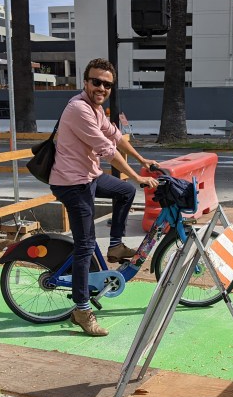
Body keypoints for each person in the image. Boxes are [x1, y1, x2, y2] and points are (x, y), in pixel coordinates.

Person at [49, 58, 159, 337]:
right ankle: (82, 311)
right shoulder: (79, 109)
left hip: (89, 178)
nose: (101, 87)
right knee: (85, 245)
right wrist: (137, 175)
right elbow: (107, 150)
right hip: (73, 184)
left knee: (124, 192)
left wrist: (142, 159)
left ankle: (115, 246)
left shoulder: (96, 109)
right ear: (85, 82)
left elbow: (117, 136)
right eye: (96, 81)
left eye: (107, 84)